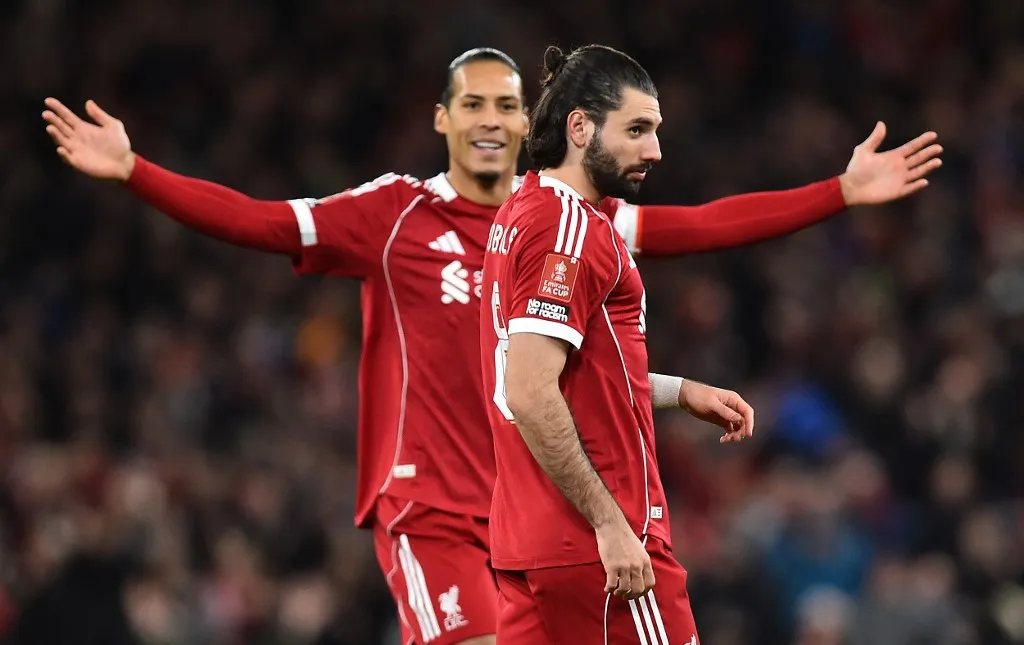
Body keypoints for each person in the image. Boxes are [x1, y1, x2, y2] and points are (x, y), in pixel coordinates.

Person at [42, 45, 940, 645]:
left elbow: (696, 226)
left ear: (528, 120)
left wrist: (835, 193)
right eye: (470, 103)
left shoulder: (547, 217)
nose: (489, 118)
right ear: (441, 118)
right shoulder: (393, 214)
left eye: (506, 104)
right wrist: (137, 171)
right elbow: (264, 222)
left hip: (530, 506)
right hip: (433, 506)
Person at [479, 43, 938, 645]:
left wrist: (676, 391)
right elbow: (532, 390)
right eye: (638, 129)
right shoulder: (565, 229)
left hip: (530, 540)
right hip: (596, 542)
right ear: (580, 127)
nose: (656, 150)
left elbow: (701, 227)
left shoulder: (528, 214)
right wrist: (611, 525)